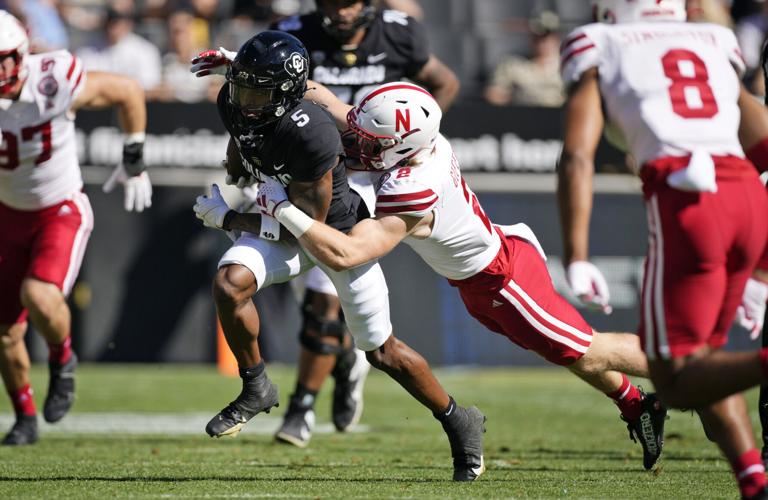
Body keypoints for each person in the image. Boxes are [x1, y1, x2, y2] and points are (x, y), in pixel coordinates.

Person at [204, 79, 672, 472]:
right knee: (565, 349)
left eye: (371, 143)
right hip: (481, 276)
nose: (356, 145)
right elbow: (335, 105)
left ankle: (697, 375)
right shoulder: (413, 141)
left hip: (503, 281)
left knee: (587, 350)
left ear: (401, 149)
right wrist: (254, 72)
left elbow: (346, 254)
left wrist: (281, 207)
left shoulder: (413, 187)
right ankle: (637, 403)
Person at [192, 30, 486, 482]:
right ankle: (256, 386)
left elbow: (306, 231)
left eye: (257, 90)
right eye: (241, 85)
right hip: (284, 213)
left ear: (286, 96)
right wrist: (236, 164)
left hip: (333, 233)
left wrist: (230, 220)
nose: (245, 99)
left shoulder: (312, 135)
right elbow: (243, 135)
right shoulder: (234, 99)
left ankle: (456, 418)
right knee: (230, 284)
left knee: (383, 353)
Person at [557, 1, 768, 497]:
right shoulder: (713, 38)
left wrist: (577, 253)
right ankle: (754, 482)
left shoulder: (600, 42)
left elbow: (576, 156)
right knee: (704, 362)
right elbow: (760, 139)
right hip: (747, 194)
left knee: (673, 381)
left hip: (689, 202)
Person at [0, 9, 152, 445]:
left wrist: (134, 159)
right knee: (7, 331)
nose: (1, 70)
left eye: (5, 59)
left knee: (39, 294)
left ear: (22, 52)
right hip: (6, 213)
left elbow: (126, 90)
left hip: (58, 209)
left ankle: (62, 360)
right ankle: (25, 417)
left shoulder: (52, 79)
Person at [484, 10, 565, 107]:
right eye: (537, 37)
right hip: (522, 117)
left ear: (557, 37)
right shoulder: (513, 64)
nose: (543, 42)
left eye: (547, 36)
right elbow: (493, 94)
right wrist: (514, 98)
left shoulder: (569, 64)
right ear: (530, 37)